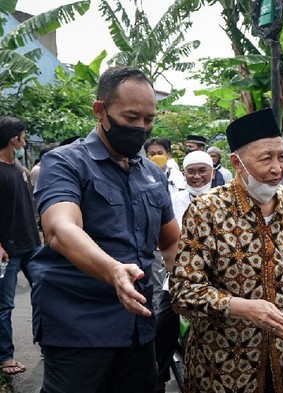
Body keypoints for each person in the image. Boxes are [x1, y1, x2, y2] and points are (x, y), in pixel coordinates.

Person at [30, 66, 181, 392]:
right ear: (100, 111)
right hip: (79, 327)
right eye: (131, 118)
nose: (142, 128)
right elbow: (60, 229)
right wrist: (113, 270)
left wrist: (191, 283)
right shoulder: (65, 163)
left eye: (149, 120)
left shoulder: (152, 175)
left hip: (139, 327)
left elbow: (170, 243)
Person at [168, 107, 283, 393]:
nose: (277, 169)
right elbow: (182, 291)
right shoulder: (208, 209)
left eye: (282, 157)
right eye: (265, 159)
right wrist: (243, 308)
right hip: (224, 365)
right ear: (237, 162)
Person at [154, 150, 214, 392]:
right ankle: (158, 376)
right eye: (191, 171)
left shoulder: (225, 198)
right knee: (161, 324)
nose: (197, 176)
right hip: (178, 277)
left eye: (202, 171)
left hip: (216, 278)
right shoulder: (173, 199)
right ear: (184, 173)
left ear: (212, 172)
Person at [0, 116, 41, 376]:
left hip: (32, 246)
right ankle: (6, 357)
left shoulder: (22, 171)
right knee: (5, 306)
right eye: (23, 136)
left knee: (46, 295)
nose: (25, 141)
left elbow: (30, 209)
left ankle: (49, 343)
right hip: (8, 250)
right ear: (14, 139)